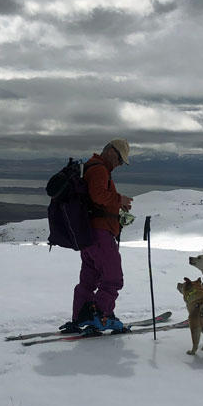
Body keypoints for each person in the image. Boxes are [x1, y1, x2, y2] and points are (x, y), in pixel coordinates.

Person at [60, 138, 133, 333]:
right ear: (110, 152)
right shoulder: (100, 169)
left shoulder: (91, 167)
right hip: (100, 234)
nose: (119, 165)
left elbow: (95, 198)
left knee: (89, 278)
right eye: (119, 159)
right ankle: (102, 316)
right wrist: (120, 199)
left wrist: (117, 204)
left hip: (88, 235)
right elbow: (98, 195)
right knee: (113, 277)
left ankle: (81, 316)